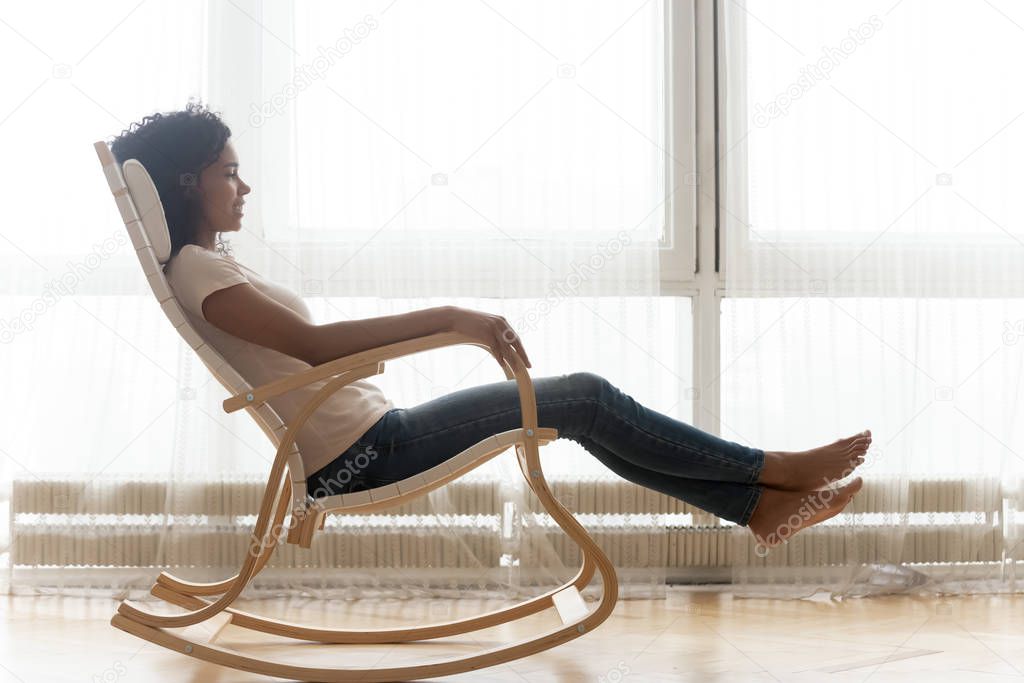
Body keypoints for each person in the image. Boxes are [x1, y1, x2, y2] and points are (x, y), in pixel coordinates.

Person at [111, 101, 867, 551]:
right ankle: (772, 472)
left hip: (379, 435)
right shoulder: (199, 271)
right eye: (226, 173)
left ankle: (757, 501)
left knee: (579, 407)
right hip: (372, 452)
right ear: (187, 183)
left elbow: (302, 352)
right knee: (584, 398)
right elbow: (310, 348)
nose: (244, 186)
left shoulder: (213, 265)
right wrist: (454, 317)